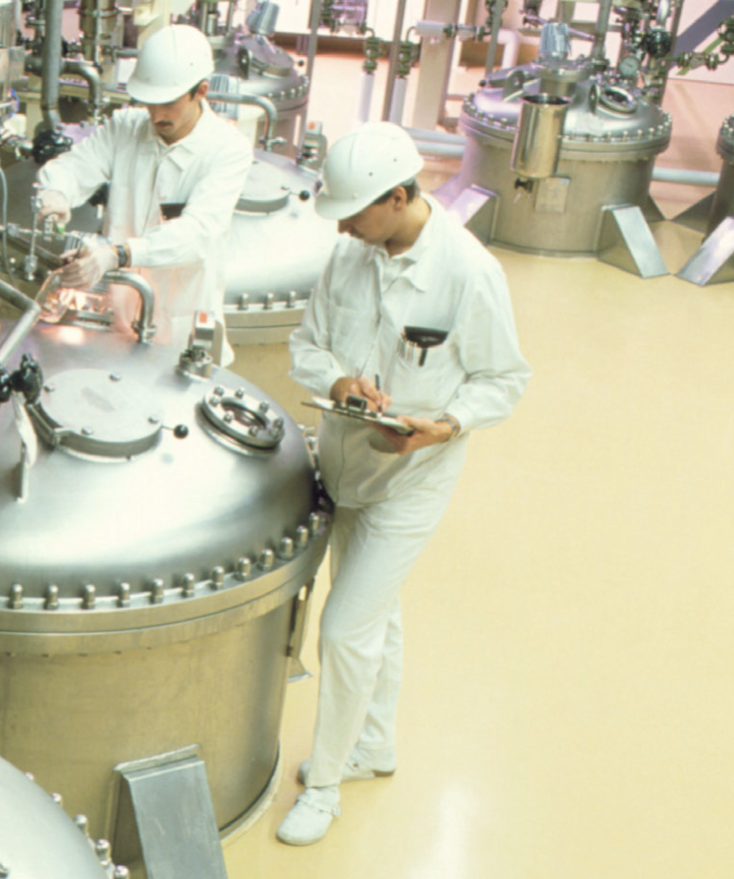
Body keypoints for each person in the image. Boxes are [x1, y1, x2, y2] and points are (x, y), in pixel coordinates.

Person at [277, 122, 531, 846]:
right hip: (346, 460)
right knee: (375, 612)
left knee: (344, 627)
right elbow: (308, 342)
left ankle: (324, 784)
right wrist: (339, 380)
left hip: (413, 477)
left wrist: (444, 423)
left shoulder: (470, 273)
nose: (346, 226)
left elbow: (504, 379)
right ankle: (375, 742)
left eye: (356, 212)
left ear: (398, 196)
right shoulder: (350, 253)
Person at [35, 24, 253, 353]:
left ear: (201, 91)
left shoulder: (228, 150)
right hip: (119, 318)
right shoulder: (126, 127)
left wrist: (116, 254)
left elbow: (197, 234)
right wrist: (56, 193)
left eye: (168, 103)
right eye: (149, 102)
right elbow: (73, 167)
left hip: (182, 327)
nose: (156, 114)